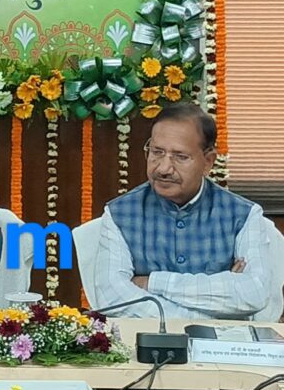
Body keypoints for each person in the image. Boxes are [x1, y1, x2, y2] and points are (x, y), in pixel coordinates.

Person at [93, 103, 273, 319]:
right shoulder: (119, 213)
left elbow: (254, 293)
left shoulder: (244, 215)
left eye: (180, 157)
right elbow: (112, 299)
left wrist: (152, 282)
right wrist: (216, 305)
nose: (163, 168)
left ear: (208, 162)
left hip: (221, 341)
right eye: (157, 152)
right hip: (146, 339)